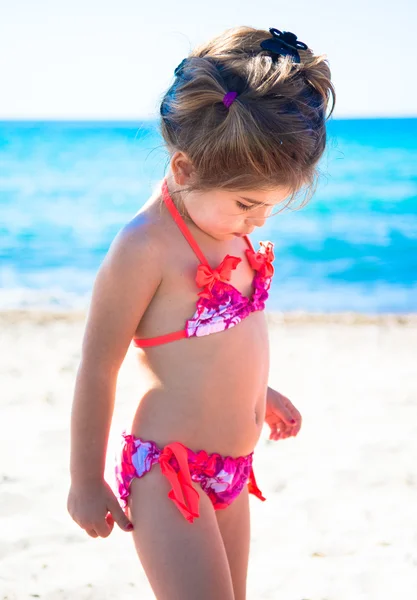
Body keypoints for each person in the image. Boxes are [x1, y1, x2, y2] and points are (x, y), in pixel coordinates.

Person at [67, 25, 335, 600]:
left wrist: (261, 395)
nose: (257, 222)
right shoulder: (146, 246)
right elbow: (96, 366)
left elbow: (217, 344)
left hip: (233, 471)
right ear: (185, 170)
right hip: (169, 474)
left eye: (269, 207)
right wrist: (85, 480)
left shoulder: (221, 220)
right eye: (247, 205)